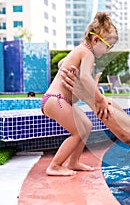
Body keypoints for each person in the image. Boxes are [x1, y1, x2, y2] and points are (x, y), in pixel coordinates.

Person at [41, 12, 118, 176]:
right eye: (108, 47)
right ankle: (54, 166)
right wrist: (100, 99)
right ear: (96, 40)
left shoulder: (80, 51)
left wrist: (69, 68)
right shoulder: (88, 53)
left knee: (87, 126)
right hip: (57, 100)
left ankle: (74, 162)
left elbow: (63, 63)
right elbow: (85, 78)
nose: (107, 51)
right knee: (77, 131)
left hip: (57, 100)